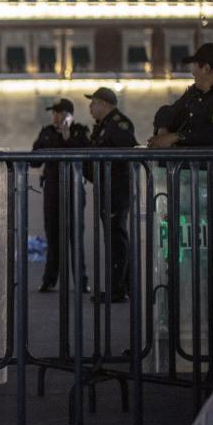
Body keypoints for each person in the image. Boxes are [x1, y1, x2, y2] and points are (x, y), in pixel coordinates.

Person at [85, 87, 138, 303]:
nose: (90, 107)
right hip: (106, 186)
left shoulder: (118, 124)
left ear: (105, 104)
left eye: (93, 103)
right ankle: (124, 285)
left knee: (116, 238)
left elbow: (126, 151)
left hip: (115, 189)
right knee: (115, 237)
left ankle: (117, 289)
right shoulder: (105, 125)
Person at [32, 99, 90, 293]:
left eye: (60, 113)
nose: (55, 116)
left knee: (76, 237)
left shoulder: (80, 131)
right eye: (54, 112)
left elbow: (85, 154)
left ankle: (81, 282)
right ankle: (49, 279)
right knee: (53, 236)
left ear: (69, 115)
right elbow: (34, 160)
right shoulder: (47, 132)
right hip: (52, 189)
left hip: (73, 188)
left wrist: (66, 137)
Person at [148, 42, 213, 148]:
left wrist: (177, 137)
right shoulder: (193, 93)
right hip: (185, 163)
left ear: (206, 68)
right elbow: (166, 112)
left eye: (194, 65)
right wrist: (163, 132)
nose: (192, 72)